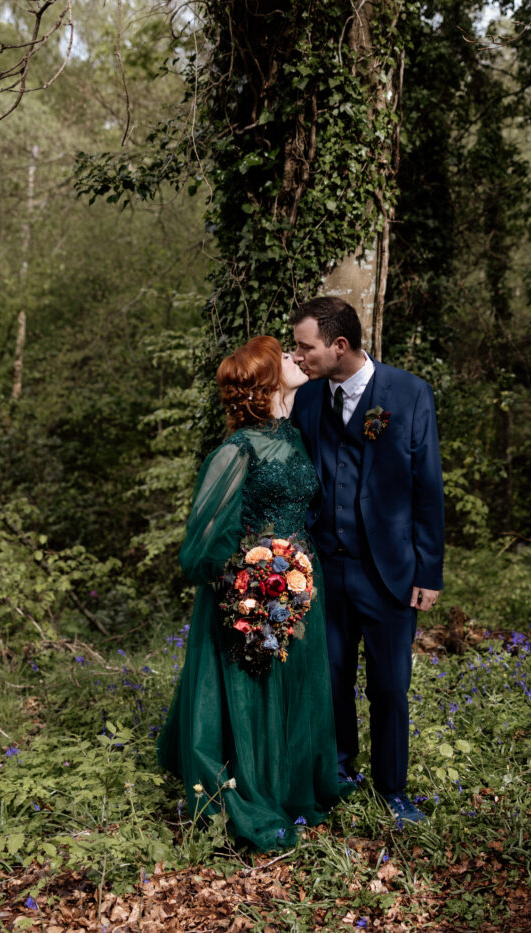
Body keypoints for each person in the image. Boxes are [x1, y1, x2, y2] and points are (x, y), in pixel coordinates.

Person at [157, 335, 350, 850]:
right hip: (253, 593)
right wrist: (246, 580)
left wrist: (294, 572)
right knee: (256, 689)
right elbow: (199, 544)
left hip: (301, 586)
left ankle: (294, 791)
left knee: (297, 685)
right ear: (266, 381)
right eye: (284, 357)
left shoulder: (292, 436)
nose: (295, 357)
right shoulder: (235, 449)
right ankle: (254, 796)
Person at [289, 297, 444, 826]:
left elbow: (428, 488)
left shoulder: (408, 392)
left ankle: (393, 791)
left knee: (387, 686)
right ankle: (339, 773)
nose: (298, 356)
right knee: (330, 679)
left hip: (390, 573)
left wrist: (428, 571)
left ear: (339, 345)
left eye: (305, 347)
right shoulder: (306, 400)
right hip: (324, 572)